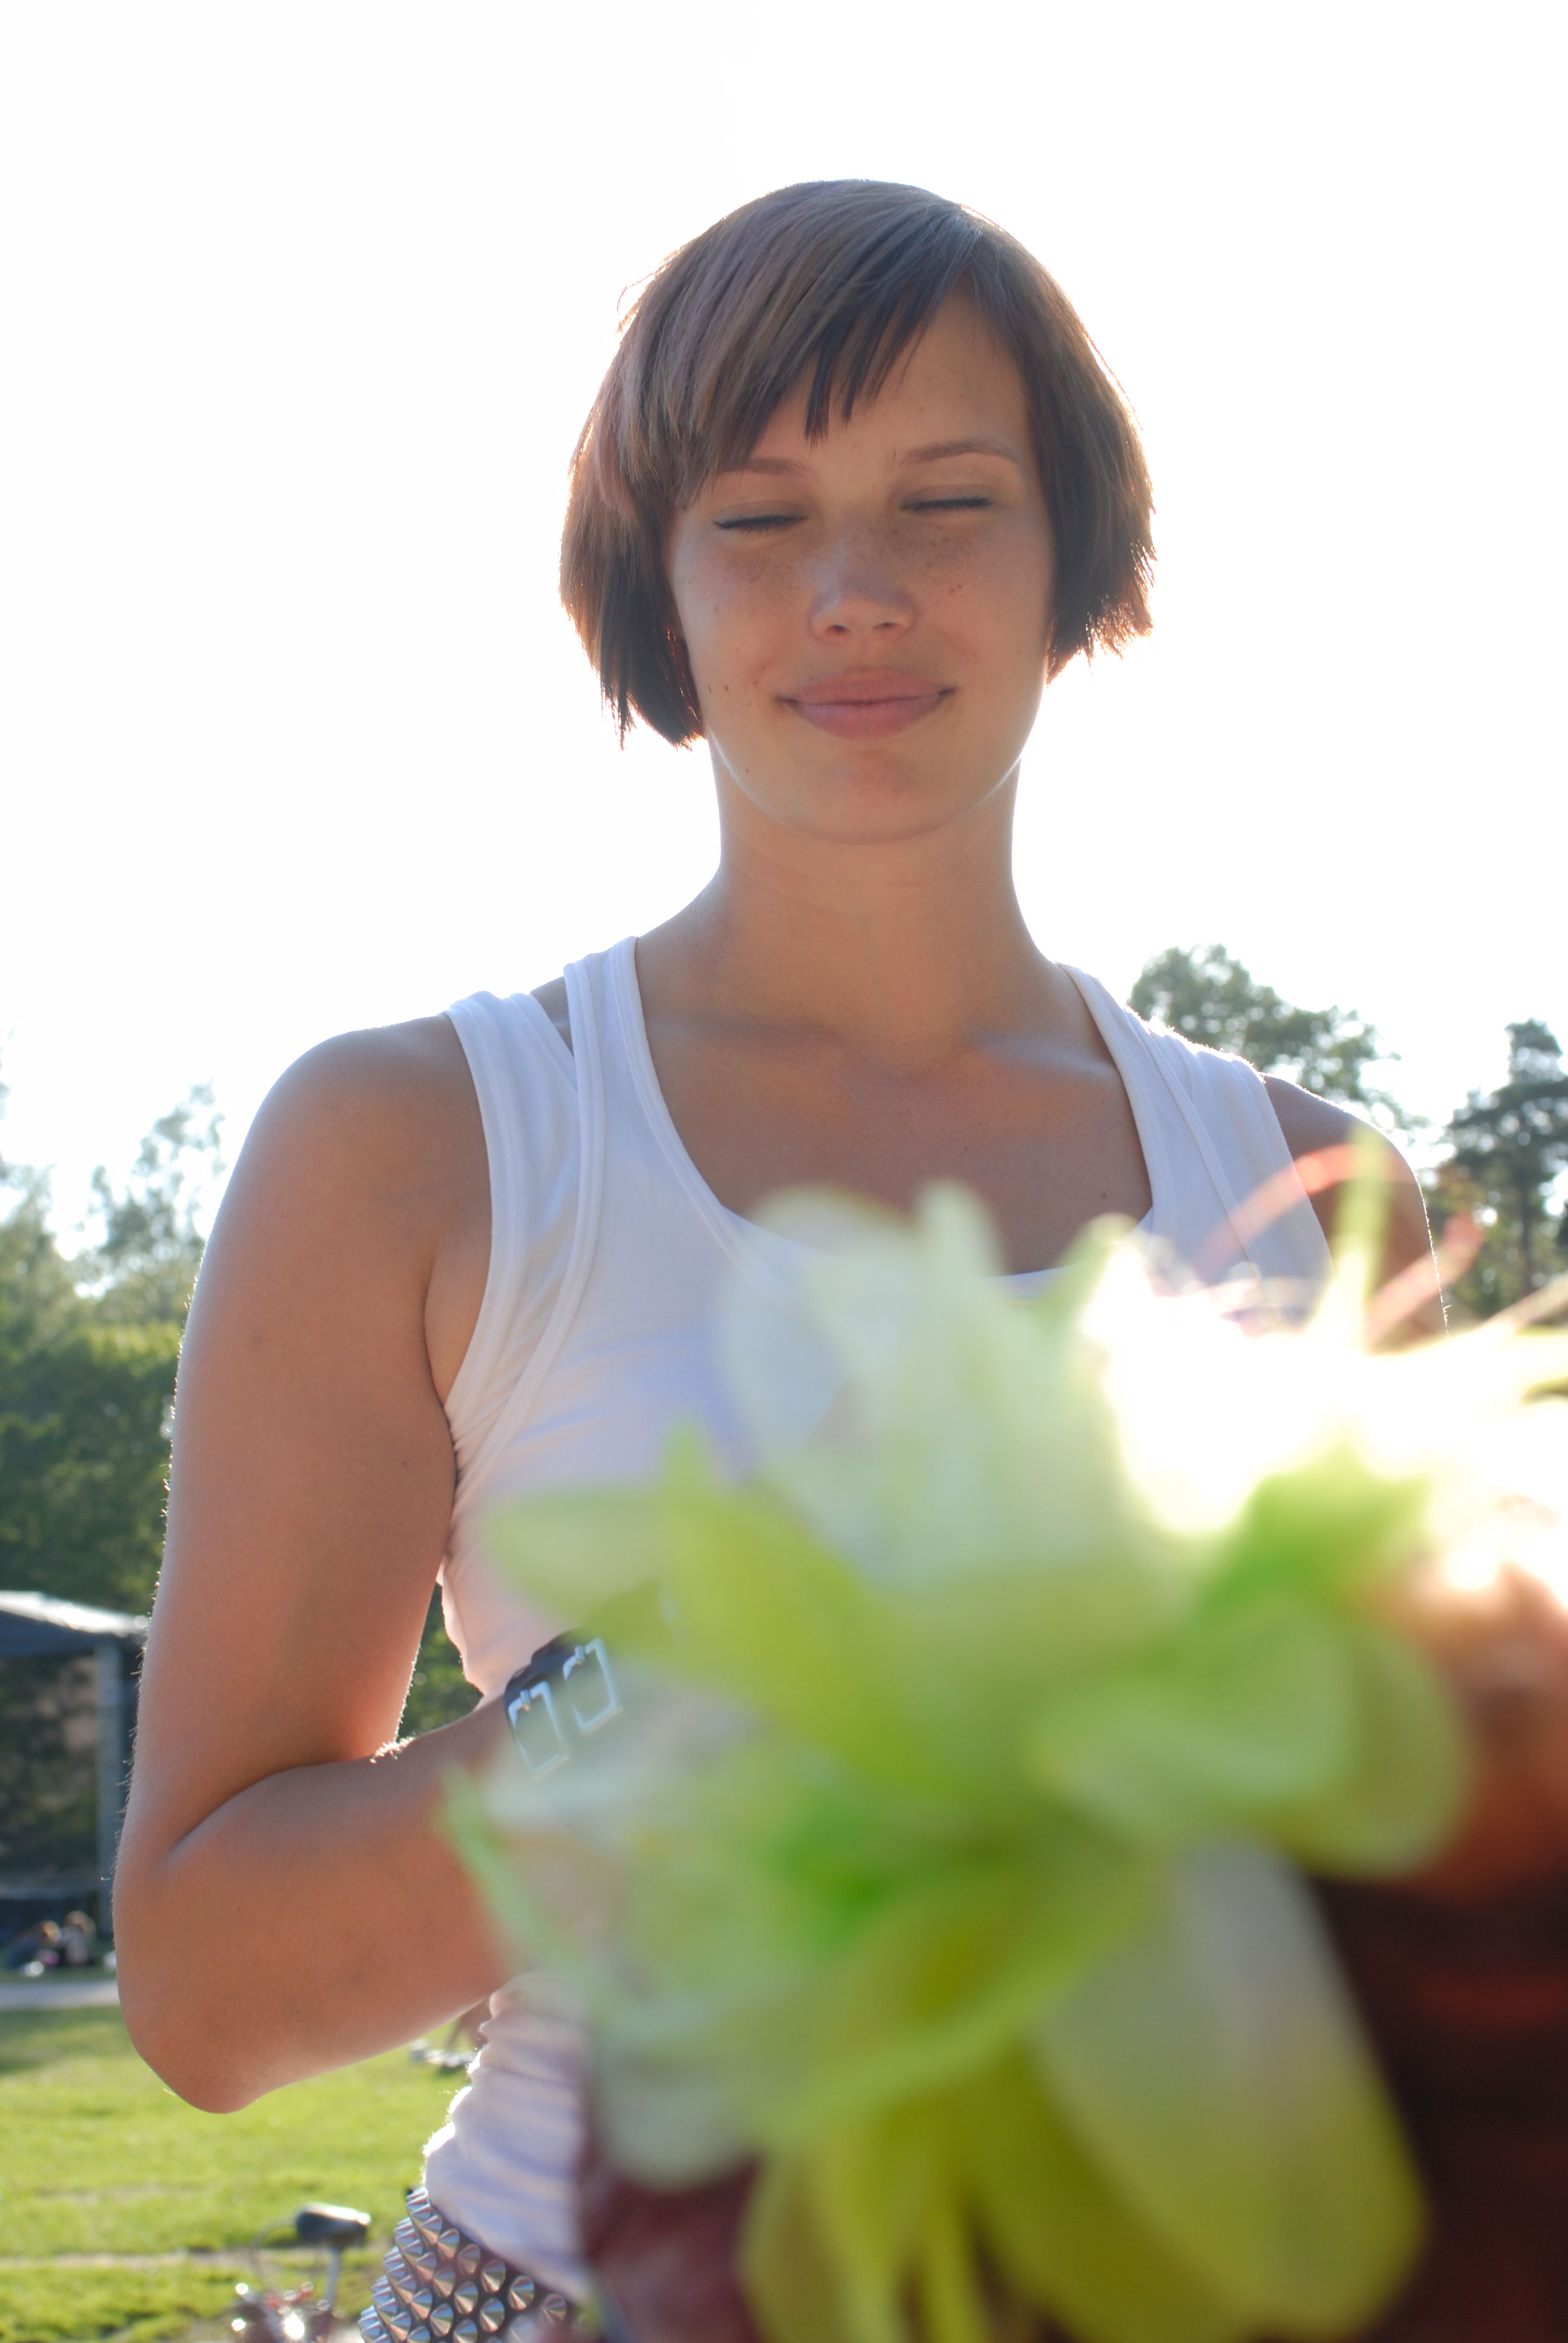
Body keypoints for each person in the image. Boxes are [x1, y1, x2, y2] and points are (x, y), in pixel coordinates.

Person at [114, 181, 1443, 2338]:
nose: (856, 592)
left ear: (1076, 553)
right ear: (655, 586)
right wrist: (683, 1672)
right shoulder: (419, 1147)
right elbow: (203, 1998)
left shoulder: (1319, 1196)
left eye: (949, 501)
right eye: (757, 518)